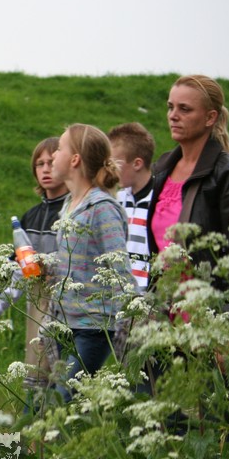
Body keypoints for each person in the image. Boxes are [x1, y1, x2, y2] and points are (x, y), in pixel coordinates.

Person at [142, 75, 229, 399]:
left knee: (218, 415)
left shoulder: (228, 172)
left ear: (210, 117)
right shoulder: (162, 170)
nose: (173, 115)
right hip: (166, 313)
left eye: (185, 109)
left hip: (212, 314)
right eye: (170, 107)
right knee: (162, 410)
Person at [0, 137, 69, 406]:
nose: (46, 169)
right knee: (37, 387)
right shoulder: (30, 217)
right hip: (37, 313)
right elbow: (16, 270)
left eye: (51, 162)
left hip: (70, 313)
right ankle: (36, 431)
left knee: (69, 386)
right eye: (40, 164)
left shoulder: (75, 212)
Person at [45, 123, 133, 403]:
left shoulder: (102, 208)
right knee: (51, 405)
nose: (53, 155)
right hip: (63, 322)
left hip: (93, 327)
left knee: (61, 404)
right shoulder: (70, 204)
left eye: (59, 149)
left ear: (74, 159)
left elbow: (120, 270)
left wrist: (128, 326)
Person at [107, 122, 155, 291]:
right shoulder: (116, 200)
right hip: (117, 294)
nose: (111, 169)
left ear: (137, 164)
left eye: (115, 163)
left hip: (149, 294)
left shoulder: (160, 201)